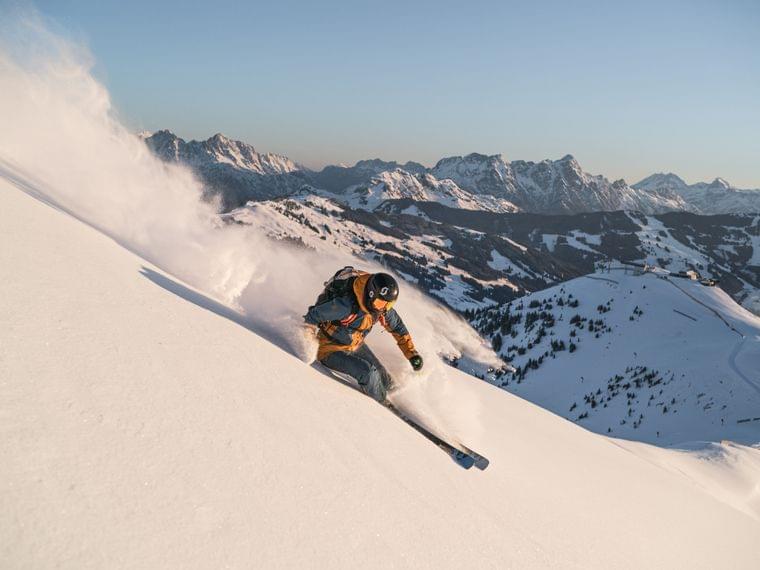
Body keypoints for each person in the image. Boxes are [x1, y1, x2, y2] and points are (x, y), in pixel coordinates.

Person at [304, 268, 423, 403]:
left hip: (354, 344)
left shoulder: (381, 308)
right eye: (380, 303)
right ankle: (382, 403)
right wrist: (308, 341)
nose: (383, 308)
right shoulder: (347, 306)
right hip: (329, 349)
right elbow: (313, 315)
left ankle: (394, 395)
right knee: (367, 372)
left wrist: (412, 354)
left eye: (388, 305)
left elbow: (398, 328)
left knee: (382, 373)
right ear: (371, 294)